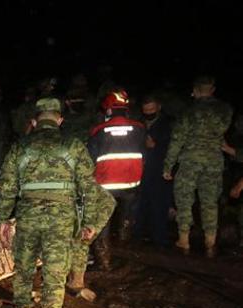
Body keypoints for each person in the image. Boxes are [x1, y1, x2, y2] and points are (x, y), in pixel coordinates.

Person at [0, 98, 108, 308]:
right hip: (61, 220)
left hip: (28, 218)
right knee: (55, 275)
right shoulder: (73, 146)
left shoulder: (20, 147)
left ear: (34, 122)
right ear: (59, 120)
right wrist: (90, 222)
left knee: (23, 271)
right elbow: (89, 188)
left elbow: (7, 188)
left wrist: (3, 219)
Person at [163, 76, 233, 257]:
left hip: (190, 161)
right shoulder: (225, 110)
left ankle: (184, 240)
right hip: (213, 161)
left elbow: (177, 141)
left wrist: (168, 166)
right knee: (210, 202)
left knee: (184, 200)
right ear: (212, 89)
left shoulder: (188, 112)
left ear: (195, 90)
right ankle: (210, 242)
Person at [81, 89, 145, 271]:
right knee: (126, 218)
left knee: (103, 223)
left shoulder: (98, 131)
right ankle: (126, 250)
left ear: (108, 110)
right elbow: (144, 154)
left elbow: (89, 160)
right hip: (131, 184)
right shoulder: (139, 128)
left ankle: (105, 262)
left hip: (105, 185)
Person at [134, 95, 173, 247]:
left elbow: (173, 147)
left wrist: (156, 146)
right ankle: (137, 237)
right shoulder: (138, 123)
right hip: (140, 170)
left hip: (160, 169)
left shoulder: (168, 124)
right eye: (145, 110)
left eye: (151, 109)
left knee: (159, 205)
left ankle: (160, 240)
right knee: (140, 204)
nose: (148, 112)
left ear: (159, 107)